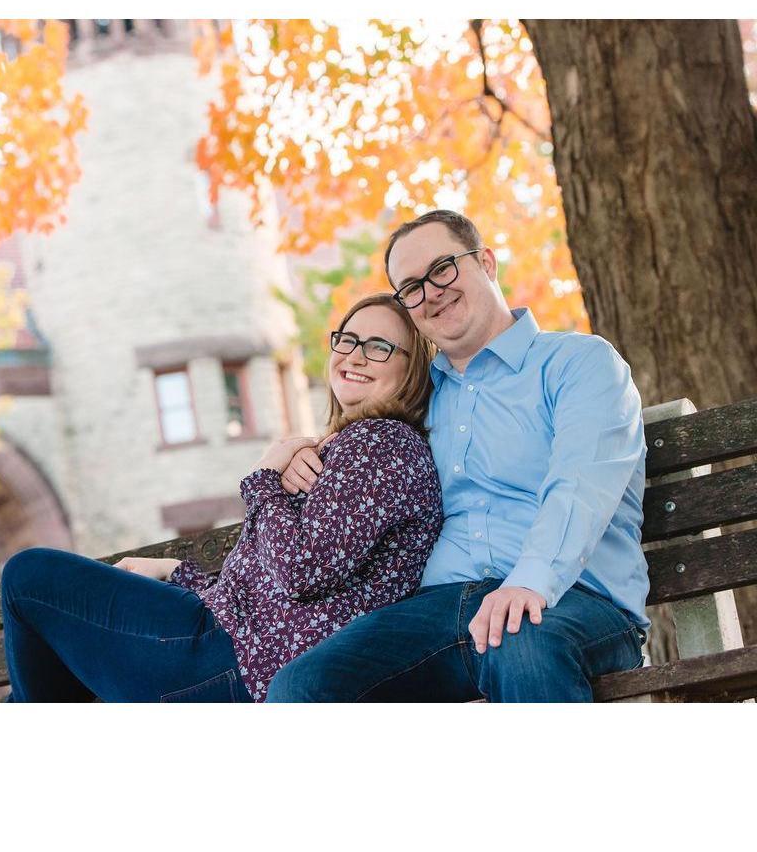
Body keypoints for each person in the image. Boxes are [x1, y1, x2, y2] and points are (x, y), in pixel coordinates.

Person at [268, 209, 649, 703]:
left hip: (575, 599)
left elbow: (579, 487)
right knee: (302, 686)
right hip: (439, 608)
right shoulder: (421, 402)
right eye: (411, 288)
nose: (430, 292)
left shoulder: (578, 364)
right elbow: (361, 457)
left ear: (486, 263)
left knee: (521, 644)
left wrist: (528, 583)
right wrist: (295, 454)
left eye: (442, 268)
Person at [0, 294, 443, 702]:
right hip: (228, 645)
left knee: (28, 578)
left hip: (236, 666)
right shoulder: (345, 446)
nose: (354, 355)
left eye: (379, 346)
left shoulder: (383, 445)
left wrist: (265, 476)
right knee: (45, 658)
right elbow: (264, 589)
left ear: (412, 369)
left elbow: (301, 570)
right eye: (347, 339)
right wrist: (179, 572)